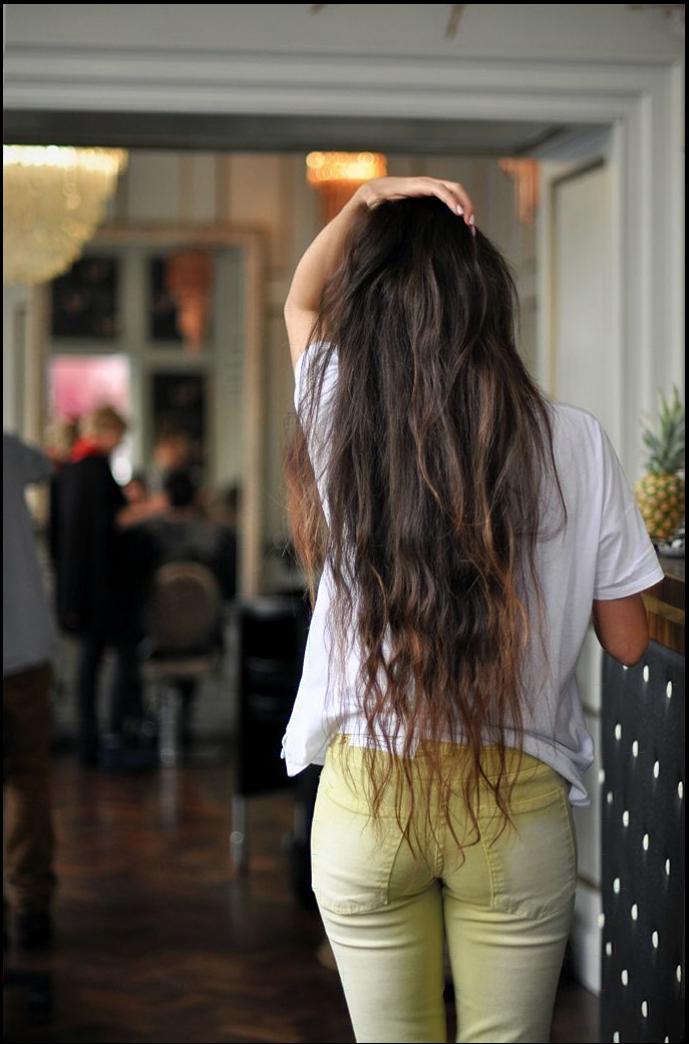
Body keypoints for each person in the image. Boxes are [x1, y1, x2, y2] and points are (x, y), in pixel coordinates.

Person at [280, 177, 665, 1044]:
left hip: (365, 798)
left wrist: (366, 201)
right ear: (488, 303)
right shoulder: (570, 438)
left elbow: (302, 298)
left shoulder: (339, 413)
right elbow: (630, 643)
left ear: (370, 308)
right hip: (514, 803)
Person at [51, 406, 151, 766]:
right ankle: (114, 734)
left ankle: (89, 740)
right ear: (108, 431)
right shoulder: (96, 472)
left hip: (81, 588)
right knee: (121, 659)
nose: (121, 441)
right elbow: (112, 524)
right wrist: (149, 508)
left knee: (89, 665)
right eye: (120, 434)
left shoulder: (69, 473)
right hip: (105, 590)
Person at [3, 433, 59, 948]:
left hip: (24, 648)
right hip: (22, 647)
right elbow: (45, 466)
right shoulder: (8, 452)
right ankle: (32, 902)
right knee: (29, 779)